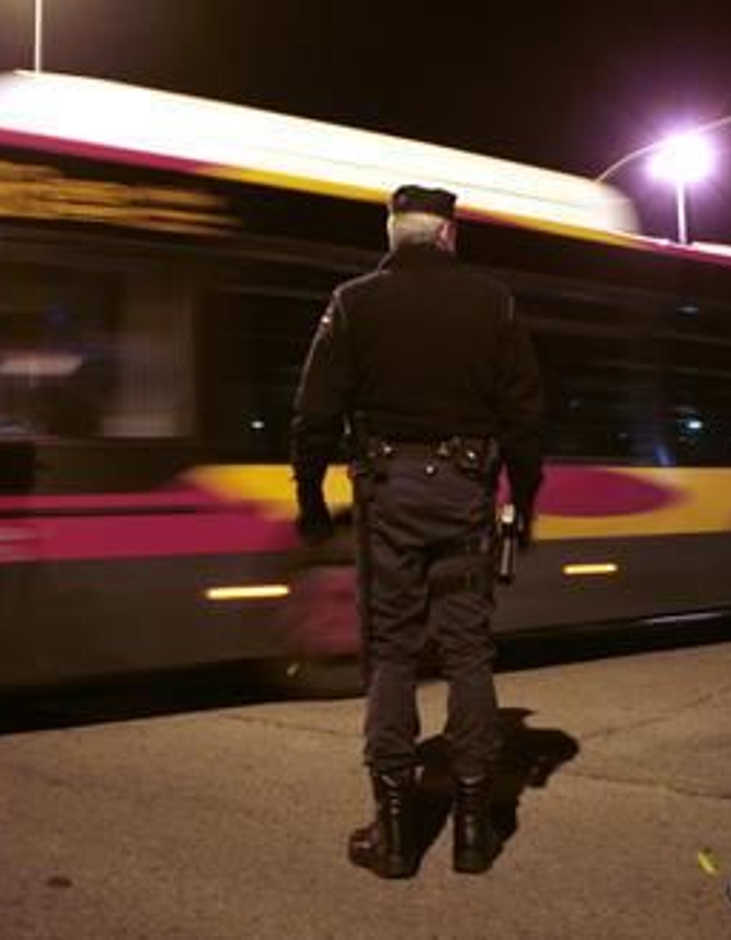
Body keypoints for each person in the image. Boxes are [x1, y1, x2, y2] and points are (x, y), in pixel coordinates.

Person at [290, 184, 544, 878]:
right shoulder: (494, 301)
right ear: (448, 235)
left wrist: (310, 498)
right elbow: (525, 416)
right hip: (464, 493)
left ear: (394, 233)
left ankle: (395, 835)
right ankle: (473, 830)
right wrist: (523, 500)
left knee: (393, 653)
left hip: (387, 497)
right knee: (467, 652)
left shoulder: (354, 301)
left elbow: (314, 411)